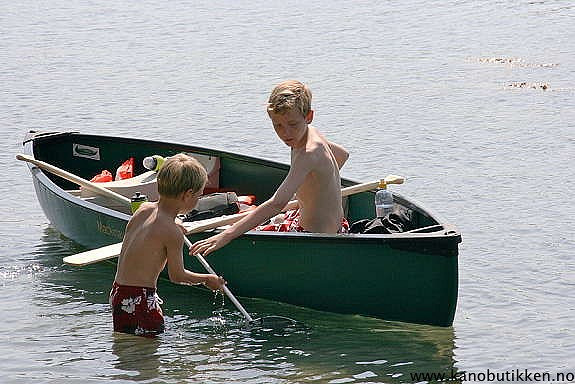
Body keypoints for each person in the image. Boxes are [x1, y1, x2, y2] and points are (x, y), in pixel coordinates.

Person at [191, 80, 349, 257]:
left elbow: (277, 203)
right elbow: (342, 155)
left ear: (308, 116)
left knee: (249, 228)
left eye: (292, 124)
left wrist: (227, 235)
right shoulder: (312, 133)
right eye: (278, 125)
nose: (286, 133)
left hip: (314, 239)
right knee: (279, 217)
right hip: (338, 227)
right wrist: (312, 193)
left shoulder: (307, 153)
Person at [110, 153, 226, 337]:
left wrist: (173, 223)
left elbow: (154, 228)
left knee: (129, 345)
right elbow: (177, 276)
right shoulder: (171, 233)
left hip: (119, 293)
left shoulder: (143, 210)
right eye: (199, 195)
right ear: (188, 195)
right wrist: (206, 279)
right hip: (139, 298)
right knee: (148, 356)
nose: (198, 200)